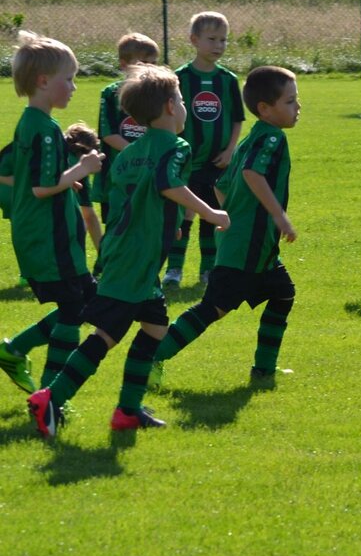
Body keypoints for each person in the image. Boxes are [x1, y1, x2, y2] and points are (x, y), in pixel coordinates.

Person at [28, 64, 229, 437]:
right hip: (137, 259)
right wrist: (210, 212)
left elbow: (126, 200)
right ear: (170, 107)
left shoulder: (128, 154)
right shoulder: (177, 147)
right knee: (106, 334)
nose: (185, 107)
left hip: (126, 251)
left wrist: (167, 222)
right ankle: (51, 397)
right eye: (182, 99)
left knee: (155, 326)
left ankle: (128, 410)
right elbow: (167, 184)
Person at [150, 66, 300, 388]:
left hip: (252, 245)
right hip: (248, 246)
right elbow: (251, 174)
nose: (297, 107)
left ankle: (264, 370)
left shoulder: (251, 138)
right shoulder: (272, 137)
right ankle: (150, 357)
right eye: (290, 102)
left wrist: (233, 216)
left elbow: (222, 186)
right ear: (265, 108)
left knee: (283, 294)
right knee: (213, 308)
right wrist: (278, 215)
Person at [0, 32, 102, 396]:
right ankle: (50, 396)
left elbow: (36, 178)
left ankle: (14, 351)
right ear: (44, 81)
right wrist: (82, 169)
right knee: (75, 308)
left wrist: (67, 180)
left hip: (50, 234)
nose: (74, 87)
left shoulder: (37, 124)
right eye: (69, 79)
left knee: (86, 301)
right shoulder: (43, 130)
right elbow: (42, 188)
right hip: (47, 237)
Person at [165, 11, 244, 288]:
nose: (218, 45)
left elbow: (237, 119)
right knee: (183, 213)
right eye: (212, 39)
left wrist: (230, 150)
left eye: (223, 40)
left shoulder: (228, 80)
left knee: (211, 214)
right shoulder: (180, 78)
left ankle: (208, 270)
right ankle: (174, 269)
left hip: (217, 162)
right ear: (194, 40)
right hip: (186, 161)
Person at [97, 32, 160, 227]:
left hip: (147, 173)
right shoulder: (110, 94)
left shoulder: (157, 96)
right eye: (143, 63)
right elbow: (108, 134)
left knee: (145, 226)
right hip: (116, 174)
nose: (150, 69)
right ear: (124, 65)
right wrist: (138, 153)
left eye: (154, 63)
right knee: (115, 228)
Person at [62, 122, 105, 255]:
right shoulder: (77, 165)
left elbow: (89, 215)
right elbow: (89, 217)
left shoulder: (80, 169)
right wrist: (103, 254)